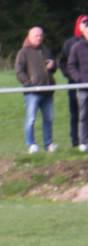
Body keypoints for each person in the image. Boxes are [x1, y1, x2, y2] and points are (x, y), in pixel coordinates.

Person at [14, 26, 58, 154]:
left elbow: (53, 69)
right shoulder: (23, 52)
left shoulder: (46, 51)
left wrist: (53, 65)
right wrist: (29, 84)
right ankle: (31, 144)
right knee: (31, 119)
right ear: (29, 37)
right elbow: (19, 71)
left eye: (41, 35)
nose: (39, 38)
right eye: (36, 36)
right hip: (32, 93)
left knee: (49, 118)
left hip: (48, 91)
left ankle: (48, 144)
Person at [57, 16, 88, 149]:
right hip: (77, 84)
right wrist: (76, 78)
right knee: (78, 113)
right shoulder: (72, 44)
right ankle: (78, 141)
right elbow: (66, 64)